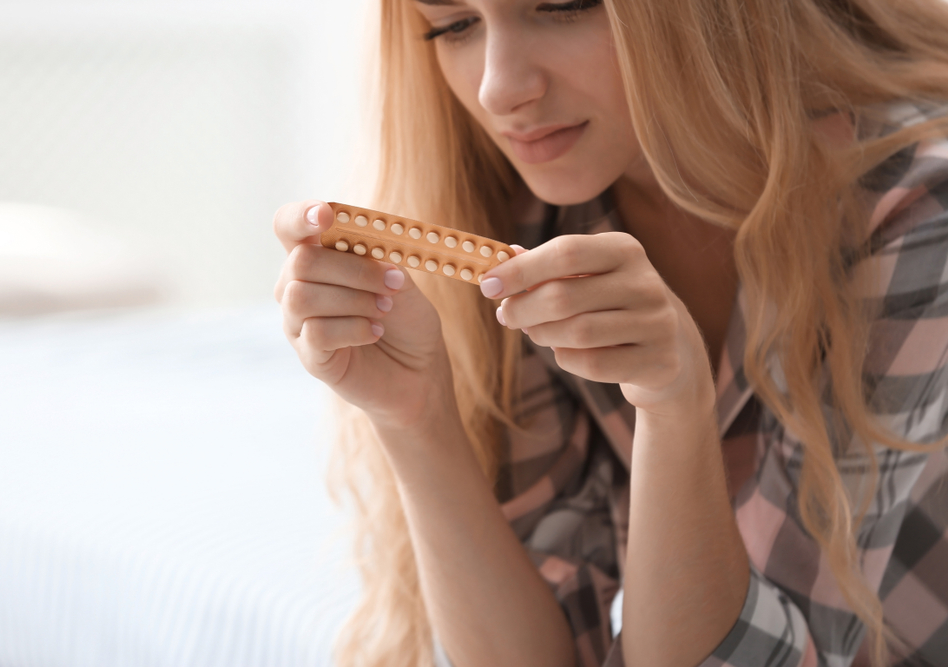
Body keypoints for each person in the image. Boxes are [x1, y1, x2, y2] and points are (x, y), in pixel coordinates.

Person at [273, 0, 948, 665]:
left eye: (563, 6)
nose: (498, 89)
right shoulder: (531, 214)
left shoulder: (918, 207)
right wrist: (415, 417)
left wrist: (674, 412)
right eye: (455, 24)